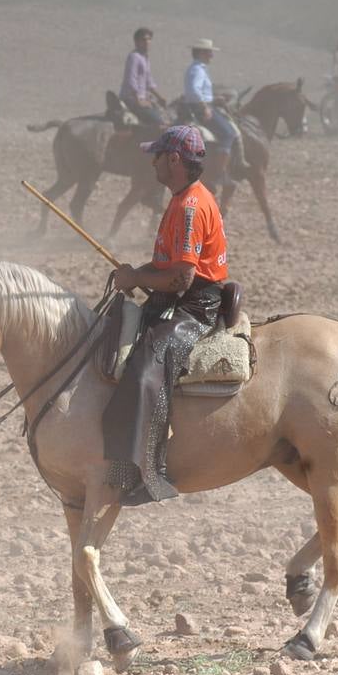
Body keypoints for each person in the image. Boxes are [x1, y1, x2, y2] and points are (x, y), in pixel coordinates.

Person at [103, 125, 228, 506]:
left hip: (195, 305)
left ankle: (148, 473)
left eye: (156, 155)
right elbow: (167, 267)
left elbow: (181, 278)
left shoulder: (190, 207)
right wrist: (137, 273)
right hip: (178, 296)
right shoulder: (179, 198)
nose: (152, 162)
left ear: (173, 159)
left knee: (144, 368)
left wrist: (138, 277)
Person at [181, 38, 239, 174]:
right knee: (228, 133)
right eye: (209, 52)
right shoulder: (198, 70)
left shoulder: (198, 69)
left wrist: (214, 99)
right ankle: (219, 172)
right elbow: (194, 91)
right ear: (201, 53)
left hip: (202, 105)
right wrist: (205, 107)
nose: (212, 56)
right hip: (200, 108)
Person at [120, 27, 166, 126]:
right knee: (159, 123)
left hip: (143, 98)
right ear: (136, 42)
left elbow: (149, 82)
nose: (147, 42)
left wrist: (160, 97)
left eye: (149, 39)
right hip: (131, 99)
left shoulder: (145, 58)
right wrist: (138, 100)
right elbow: (131, 79)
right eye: (144, 39)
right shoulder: (134, 57)